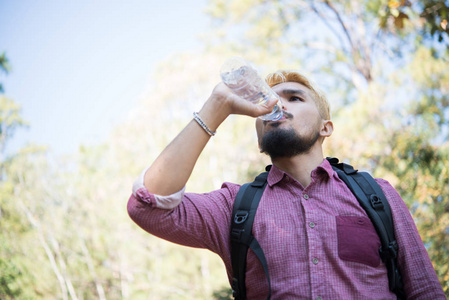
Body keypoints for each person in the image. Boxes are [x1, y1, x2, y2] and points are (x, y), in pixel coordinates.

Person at [127, 70, 445, 299]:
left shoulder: (376, 195)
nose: (277, 106)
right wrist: (218, 104)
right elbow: (147, 206)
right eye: (266, 101)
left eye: (294, 98)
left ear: (326, 127)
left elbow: (425, 291)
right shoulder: (234, 207)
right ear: (258, 133)